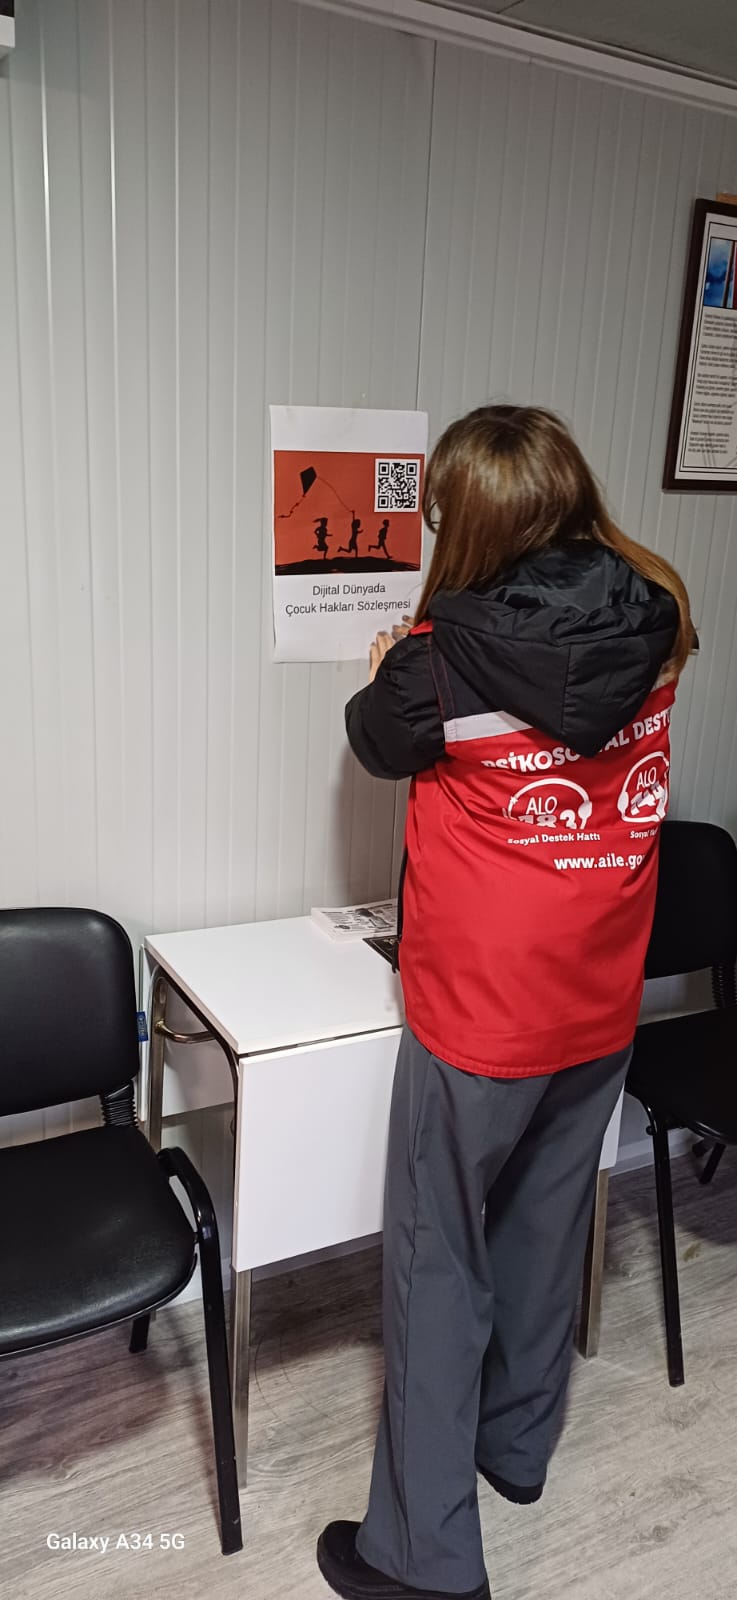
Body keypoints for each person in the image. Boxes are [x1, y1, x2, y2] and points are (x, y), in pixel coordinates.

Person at [317, 405, 694, 1600]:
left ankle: (419, 1556)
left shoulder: (437, 657)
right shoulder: (660, 611)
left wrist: (384, 666)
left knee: (436, 1262)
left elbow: (374, 741)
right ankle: (513, 1449)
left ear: (470, 524)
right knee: (543, 1229)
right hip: (600, 990)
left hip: (479, 1012)